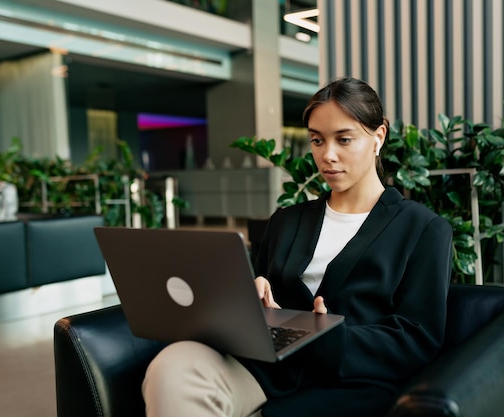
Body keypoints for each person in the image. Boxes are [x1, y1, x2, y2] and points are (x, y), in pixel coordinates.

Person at [142, 77, 453, 417]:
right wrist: (251, 295)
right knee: (172, 368)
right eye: (317, 141)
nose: (327, 156)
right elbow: (254, 295)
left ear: (378, 137)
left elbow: (417, 339)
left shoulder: (423, 229)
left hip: (350, 381)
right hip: (268, 367)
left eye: (344, 139)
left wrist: (333, 337)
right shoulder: (287, 221)